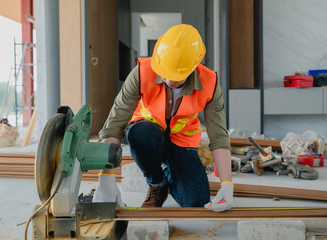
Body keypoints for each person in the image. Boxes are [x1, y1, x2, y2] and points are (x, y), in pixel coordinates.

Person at [93, 24, 234, 212]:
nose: (168, 80)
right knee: (141, 133)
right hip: (147, 135)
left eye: (175, 76)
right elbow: (114, 123)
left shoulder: (210, 83)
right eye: (164, 73)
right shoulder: (142, 72)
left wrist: (227, 184)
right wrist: (106, 178)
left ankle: (170, 171)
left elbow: (219, 136)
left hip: (181, 141)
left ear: (193, 66)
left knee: (195, 202)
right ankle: (157, 184)